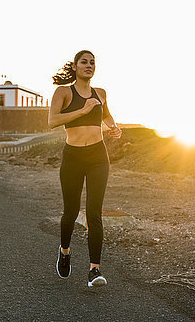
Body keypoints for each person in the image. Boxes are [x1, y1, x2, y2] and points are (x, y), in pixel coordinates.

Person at [48, 50, 122, 287]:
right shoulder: (63, 92)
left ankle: (94, 270)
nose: (89, 65)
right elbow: (52, 121)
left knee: (94, 213)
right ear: (75, 67)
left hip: (98, 156)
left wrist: (113, 127)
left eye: (92, 63)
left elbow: (107, 115)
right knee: (70, 213)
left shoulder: (100, 93)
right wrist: (82, 110)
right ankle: (65, 250)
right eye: (84, 62)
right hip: (73, 156)